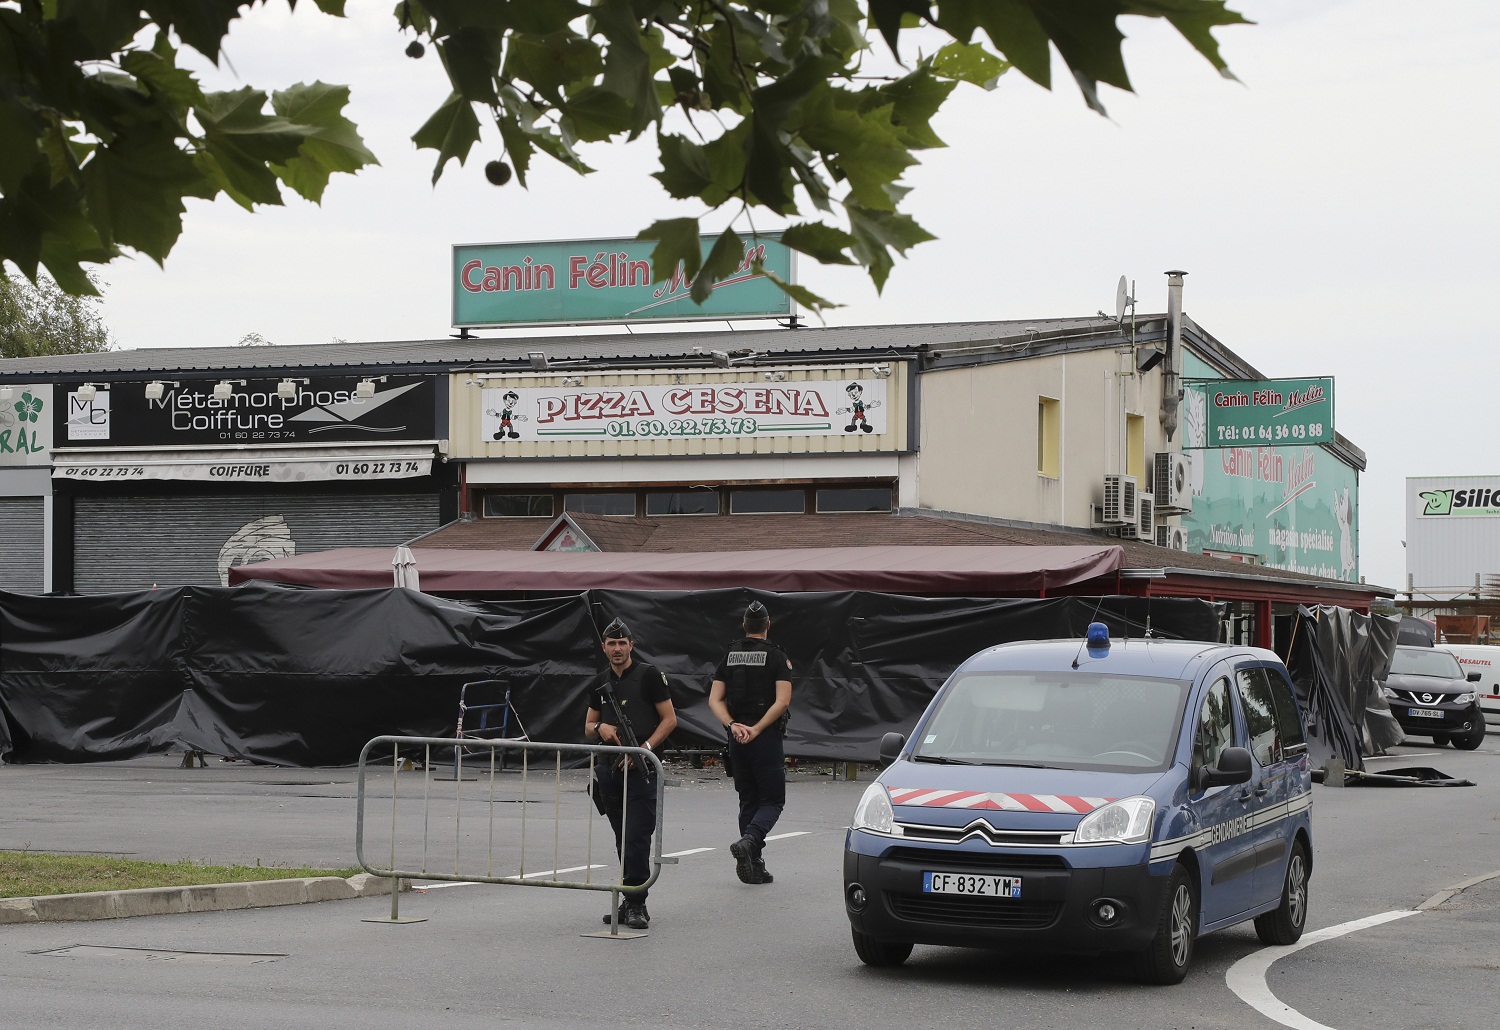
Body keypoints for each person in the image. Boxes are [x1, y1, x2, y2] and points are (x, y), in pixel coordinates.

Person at [584, 617, 677, 929]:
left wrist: (644, 750)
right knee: (623, 839)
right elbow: (588, 726)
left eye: (622, 643)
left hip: (642, 769)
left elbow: (669, 719)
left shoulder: (649, 675)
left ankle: (636, 902)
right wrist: (602, 727)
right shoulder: (599, 682)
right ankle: (629, 899)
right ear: (604, 647)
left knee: (638, 836)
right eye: (612, 644)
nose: (617, 649)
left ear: (631, 646)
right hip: (610, 771)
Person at [709, 601, 793, 884]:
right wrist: (757, 729)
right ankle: (750, 842)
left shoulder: (729, 655)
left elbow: (714, 699)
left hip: (737, 739)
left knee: (748, 799)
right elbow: (782, 701)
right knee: (772, 800)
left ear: (744, 626)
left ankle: (754, 863)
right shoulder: (778, 657)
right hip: (764, 737)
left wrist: (733, 726)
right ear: (768, 625)